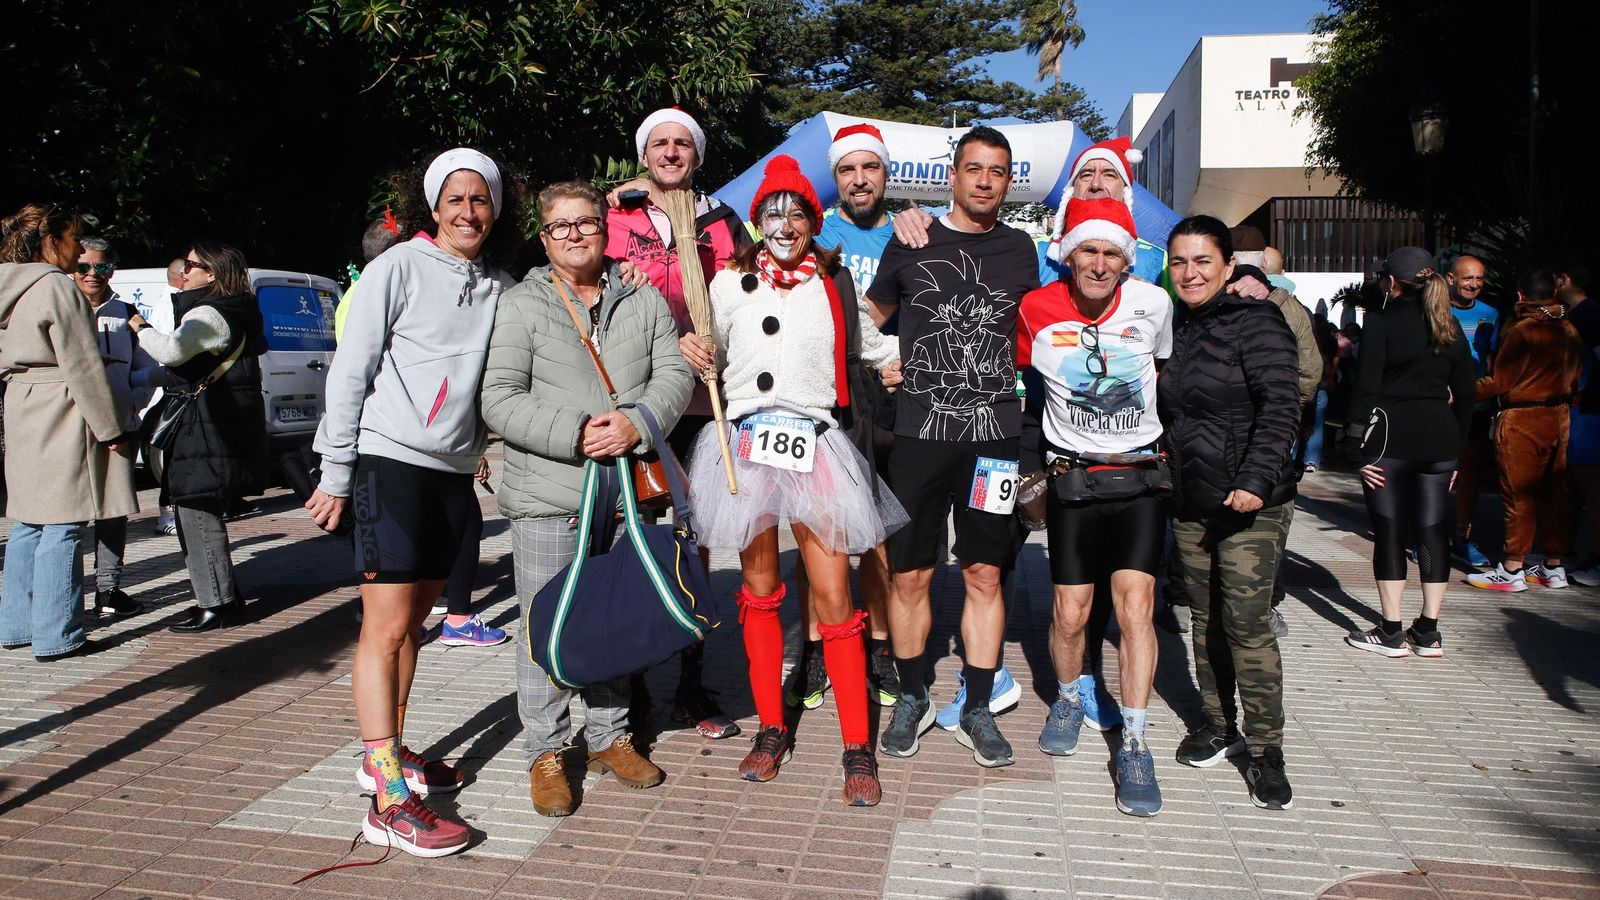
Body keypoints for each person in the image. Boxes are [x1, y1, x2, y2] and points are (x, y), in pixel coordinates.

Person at [306, 148, 518, 857]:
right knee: (387, 627)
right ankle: (388, 799)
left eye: (480, 199)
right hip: (389, 463)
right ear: (435, 207)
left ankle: (386, 751)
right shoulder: (396, 267)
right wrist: (336, 469)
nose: (468, 211)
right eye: (455, 199)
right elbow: (353, 366)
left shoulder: (498, 283)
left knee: (419, 622)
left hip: (453, 474)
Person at [680, 155, 905, 804]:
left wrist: (918, 362)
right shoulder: (725, 283)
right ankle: (772, 728)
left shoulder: (834, 282)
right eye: (772, 211)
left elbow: (873, 344)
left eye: (797, 210)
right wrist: (692, 350)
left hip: (815, 445)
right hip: (746, 445)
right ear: (757, 222)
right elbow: (711, 349)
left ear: (813, 220)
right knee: (758, 589)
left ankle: (858, 745)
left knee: (834, 595)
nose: (785, 223)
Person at [481, 179, 693, 817]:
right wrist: (576, 435)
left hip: (628, 490)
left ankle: (608, 734)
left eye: (586, 223)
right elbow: (499, 397)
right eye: (560, 226)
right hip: (552, 491)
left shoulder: (643, 299)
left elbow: (674, 373)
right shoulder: (521, 305)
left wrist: (637, 421)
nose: (575, 235)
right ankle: (546, 750)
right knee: (548, 624)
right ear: (544, 238)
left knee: (614, 617)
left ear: (606, 228)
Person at [866, 125, 1041, 769]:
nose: (986, 181)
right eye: (974, 169)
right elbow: (867, 318)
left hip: (994, 439)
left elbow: (1068, 299)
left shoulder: (1023, 249)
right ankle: (911, 695)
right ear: (954, 176)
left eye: (998, 171)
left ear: (1007, 180)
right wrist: (886, 359)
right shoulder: (912, 239)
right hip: (918, 438)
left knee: (985, 572)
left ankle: (974, 704)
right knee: (909, 573)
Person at [1018, 197, 1169, 816]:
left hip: (1139, 480)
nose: (1100, 263)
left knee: (1137, 608)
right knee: (1071, 612)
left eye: (1112, 253)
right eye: (1089, 250)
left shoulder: (1153, 304)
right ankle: (1070, 697)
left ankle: (1134, 740)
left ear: (1126, 261)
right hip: (1072, 481)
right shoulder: (1035, 308)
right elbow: (1026, 393)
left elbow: (1163, 375)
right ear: (1068, 254)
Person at [605, 107, 751, 740]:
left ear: (696, 154)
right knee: (636, 544)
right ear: (644, 155)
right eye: (659, 143)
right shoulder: (615, 214)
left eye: (681, 143)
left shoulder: (720, 220)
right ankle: (632, 688)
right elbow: (585, 285)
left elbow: (746, 295)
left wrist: (709, 337)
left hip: (702, 407)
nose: (670, 152)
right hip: (636, 404)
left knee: (697, 545)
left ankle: (691, 685)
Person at [1159, 215, 1299, 811]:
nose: (1190, 273)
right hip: (1191, 500)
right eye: (1180, 262)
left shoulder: (1256, 318)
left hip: (1249, 503)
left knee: (1246, 622)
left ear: (1227, 265)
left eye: (1203, 262)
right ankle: (1219, 723)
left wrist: (1256, 480)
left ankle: (1267, 750)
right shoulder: (1176, 325)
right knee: (1204, 619)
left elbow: (1282, 404)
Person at [788, 123, 905, 712]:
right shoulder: (812, 234)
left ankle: (880, 648)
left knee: (878, 533)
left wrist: (904, 360)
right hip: (824, 398)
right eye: (847, 170)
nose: (859, 179)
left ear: (886, 174)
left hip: (889, 393)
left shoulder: (914, 232)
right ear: (833, 179)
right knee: (821, 531)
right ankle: (813, 650)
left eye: (870, 168)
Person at [1, 203, 135, 661]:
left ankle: (16, 625)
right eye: (75, 239)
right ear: (51, 240)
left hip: (21, 401)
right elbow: (82, 364)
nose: (80, 251)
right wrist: (111, 427)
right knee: (63, 521)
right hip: (61, 404)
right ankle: (58, 635)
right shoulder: (56, 287)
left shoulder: (6, 285)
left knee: (27, 522)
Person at [128, 240, 267, 634]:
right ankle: (221, 595)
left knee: (195, 513)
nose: (183, 271)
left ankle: (217, 604)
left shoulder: (210, 312)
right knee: (197, 510)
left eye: (191, 265)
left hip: (205, 430)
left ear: (212, 273)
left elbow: (172, 353)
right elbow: (189, 369)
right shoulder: (232, 309)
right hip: (216, 426)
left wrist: (139, 325)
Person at [1342, 247, 1473, 658]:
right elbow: (1467, 393)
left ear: (1393, 281)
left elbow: (1365, 387)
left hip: (1389, 440)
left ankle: (1392, 630)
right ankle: (1429, 630)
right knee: (1433, 529)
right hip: (1440, 439)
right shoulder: (1448, 324)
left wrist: (1353, 448)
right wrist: (1460, 451)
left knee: (1391, 529)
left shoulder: (1379, 322)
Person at [1466, 269, 1583, 592]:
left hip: (1522, 419)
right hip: (1559, 416)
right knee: (1555, 492)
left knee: (1518, 494)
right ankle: (1553, 565)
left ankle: (1512, 567)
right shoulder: (1569, 329)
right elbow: (1576, 380)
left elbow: (1500, 382)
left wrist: (1462, 390)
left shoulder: (1522, 331)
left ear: (1520, 296)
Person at [1232, 226, 1321, 640]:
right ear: (1264, 260)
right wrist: (1287, 411)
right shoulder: (1290, 305)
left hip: (1238, 432)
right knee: (1268, 520)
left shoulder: (1212, 298)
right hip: (1274, 434)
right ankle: (1267, 603)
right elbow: (1311, 370)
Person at [75, 236, 157, 618]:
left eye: (102, 267)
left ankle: (108, 590)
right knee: (70, 515)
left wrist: (134, 398)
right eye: (84, 267)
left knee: (114, 510)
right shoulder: (65, 307)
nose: (93, 274)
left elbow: (147, 365)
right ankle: (66, 596)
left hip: (120, 425)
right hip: (72, 428)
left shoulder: (126, 311)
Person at [1445, 255, 1498, 568]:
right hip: (1440, 402)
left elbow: (1492, 360)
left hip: (1475, 403)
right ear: (1451, 279)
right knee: (1435, 472)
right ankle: (1429, 535)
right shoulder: (1436, 310)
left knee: (1469, 472)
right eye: (1467, 278)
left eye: (1479, 278)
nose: (1474, 285)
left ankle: (1463, 537)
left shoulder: (1491, 313)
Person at [1558, 258, 1600, 586]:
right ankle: (1564, 551)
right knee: (1573, 482)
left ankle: (1596, 560)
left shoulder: (1588, 314)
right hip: (1578, 409)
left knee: (1591, 484)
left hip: (1589, 410)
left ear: (1567, 278)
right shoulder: (1577, 314)